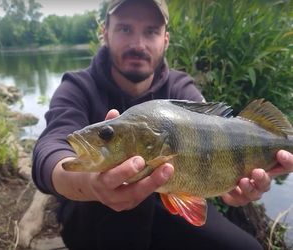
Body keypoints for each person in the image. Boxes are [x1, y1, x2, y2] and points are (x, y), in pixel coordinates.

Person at [32, 0, 293, 249]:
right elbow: (50, 149)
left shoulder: (181, 88)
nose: (138, 43)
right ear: (105, 33)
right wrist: (91, 185)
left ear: (165, 39)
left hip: (167, 208)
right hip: (92, 215)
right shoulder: (77, 87)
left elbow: (219, 133)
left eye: (151, 31)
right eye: (125, 28)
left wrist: (233, 187)